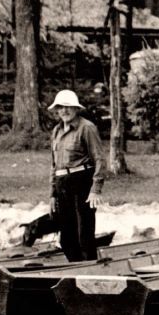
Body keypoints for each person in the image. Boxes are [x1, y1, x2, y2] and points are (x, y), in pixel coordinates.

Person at [47, 89, 106, 262]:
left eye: (68, 107)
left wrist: (96, 189)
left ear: (76, 109)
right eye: (60, 107)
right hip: (62, 184)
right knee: (66, 238)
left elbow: (99, 158)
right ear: (56, 110)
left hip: (82, 182)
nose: (64, 111)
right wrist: (52, 194)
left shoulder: (86, 128)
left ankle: (90, 269)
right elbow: (53, 164)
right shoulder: (56, 131)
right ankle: (76, 268)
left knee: (84, 234)